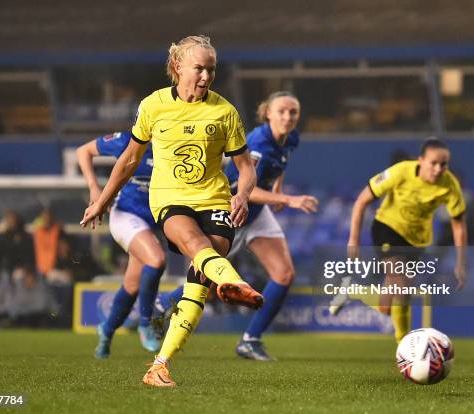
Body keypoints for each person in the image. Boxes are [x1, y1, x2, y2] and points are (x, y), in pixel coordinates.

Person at [80, 35, 261, 388]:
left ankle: (159, 366)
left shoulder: (225, 112)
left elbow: (246, 166)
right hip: (170, 199)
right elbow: (129, 159)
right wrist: (101, 200)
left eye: (211, 69)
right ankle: (233, 281)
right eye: (200, 68)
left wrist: (244, 194)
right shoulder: (153, 106)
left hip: (214, 199)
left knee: (201, 276)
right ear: (178, 66)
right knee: (195, 244)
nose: (207, 76)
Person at [157, 91, 318, 361]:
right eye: (282, 111)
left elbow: (280, 166)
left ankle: (250, 340)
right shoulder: (257, 142)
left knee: (284, 274)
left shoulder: (292, 139)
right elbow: (246, 190)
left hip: (258, 214)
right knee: (206, 279)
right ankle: (161, 303)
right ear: (268, 113)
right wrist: (287, 199)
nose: (288, 117)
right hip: (233, 209)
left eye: (293, 112)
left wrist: (277, 189)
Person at [331, 138, 467, 343]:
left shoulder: (450, 185)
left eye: (444, 164)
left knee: (386, 307)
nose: (438, 169)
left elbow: (458, 225)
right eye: (433, 163)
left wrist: (460, 263)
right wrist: (353, 239)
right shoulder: (400, 171)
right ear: (421, 160)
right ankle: (405, 345)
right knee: (402, 287)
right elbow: (361, 201)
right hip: (387, 229)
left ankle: (353, 292)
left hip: (416, 241)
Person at [76, 131, 167, 357]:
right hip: (126, 215)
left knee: (132, 285)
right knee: (156, 260)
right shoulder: (128, 140)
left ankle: (106, 331)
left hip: (151, 222)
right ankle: (146, 324)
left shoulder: (177, 147)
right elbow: (83, 151)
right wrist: (94, 187)